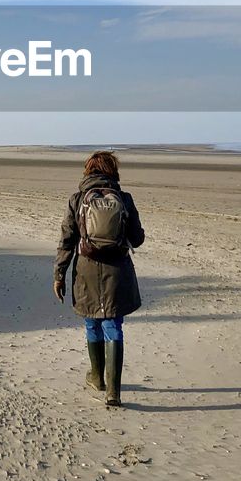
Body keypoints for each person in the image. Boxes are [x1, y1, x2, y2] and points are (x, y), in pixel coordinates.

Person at [53, 150, 145, 407]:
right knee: (113, 325)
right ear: (113, 172)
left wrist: (59, 274)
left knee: (92, 322)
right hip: (118, 271)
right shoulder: (124, 199)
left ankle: (97, 377)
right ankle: (113, 392)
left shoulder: (77, 199)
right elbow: (137, 239)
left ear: (88, 171)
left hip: (86, 269)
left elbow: (66, 241)